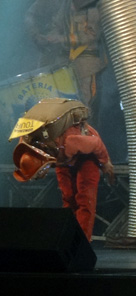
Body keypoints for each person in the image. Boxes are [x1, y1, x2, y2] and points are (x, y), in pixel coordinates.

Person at [11, 98, 114, 241]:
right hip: (62, 159)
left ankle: (82, 241)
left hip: (87, 155)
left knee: (85, 199)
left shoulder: (70, 142)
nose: (41, 176)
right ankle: (69, 237)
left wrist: (105, 162)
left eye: (40, 172)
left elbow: (96, 144)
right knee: (68, 198)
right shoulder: (26, 141)